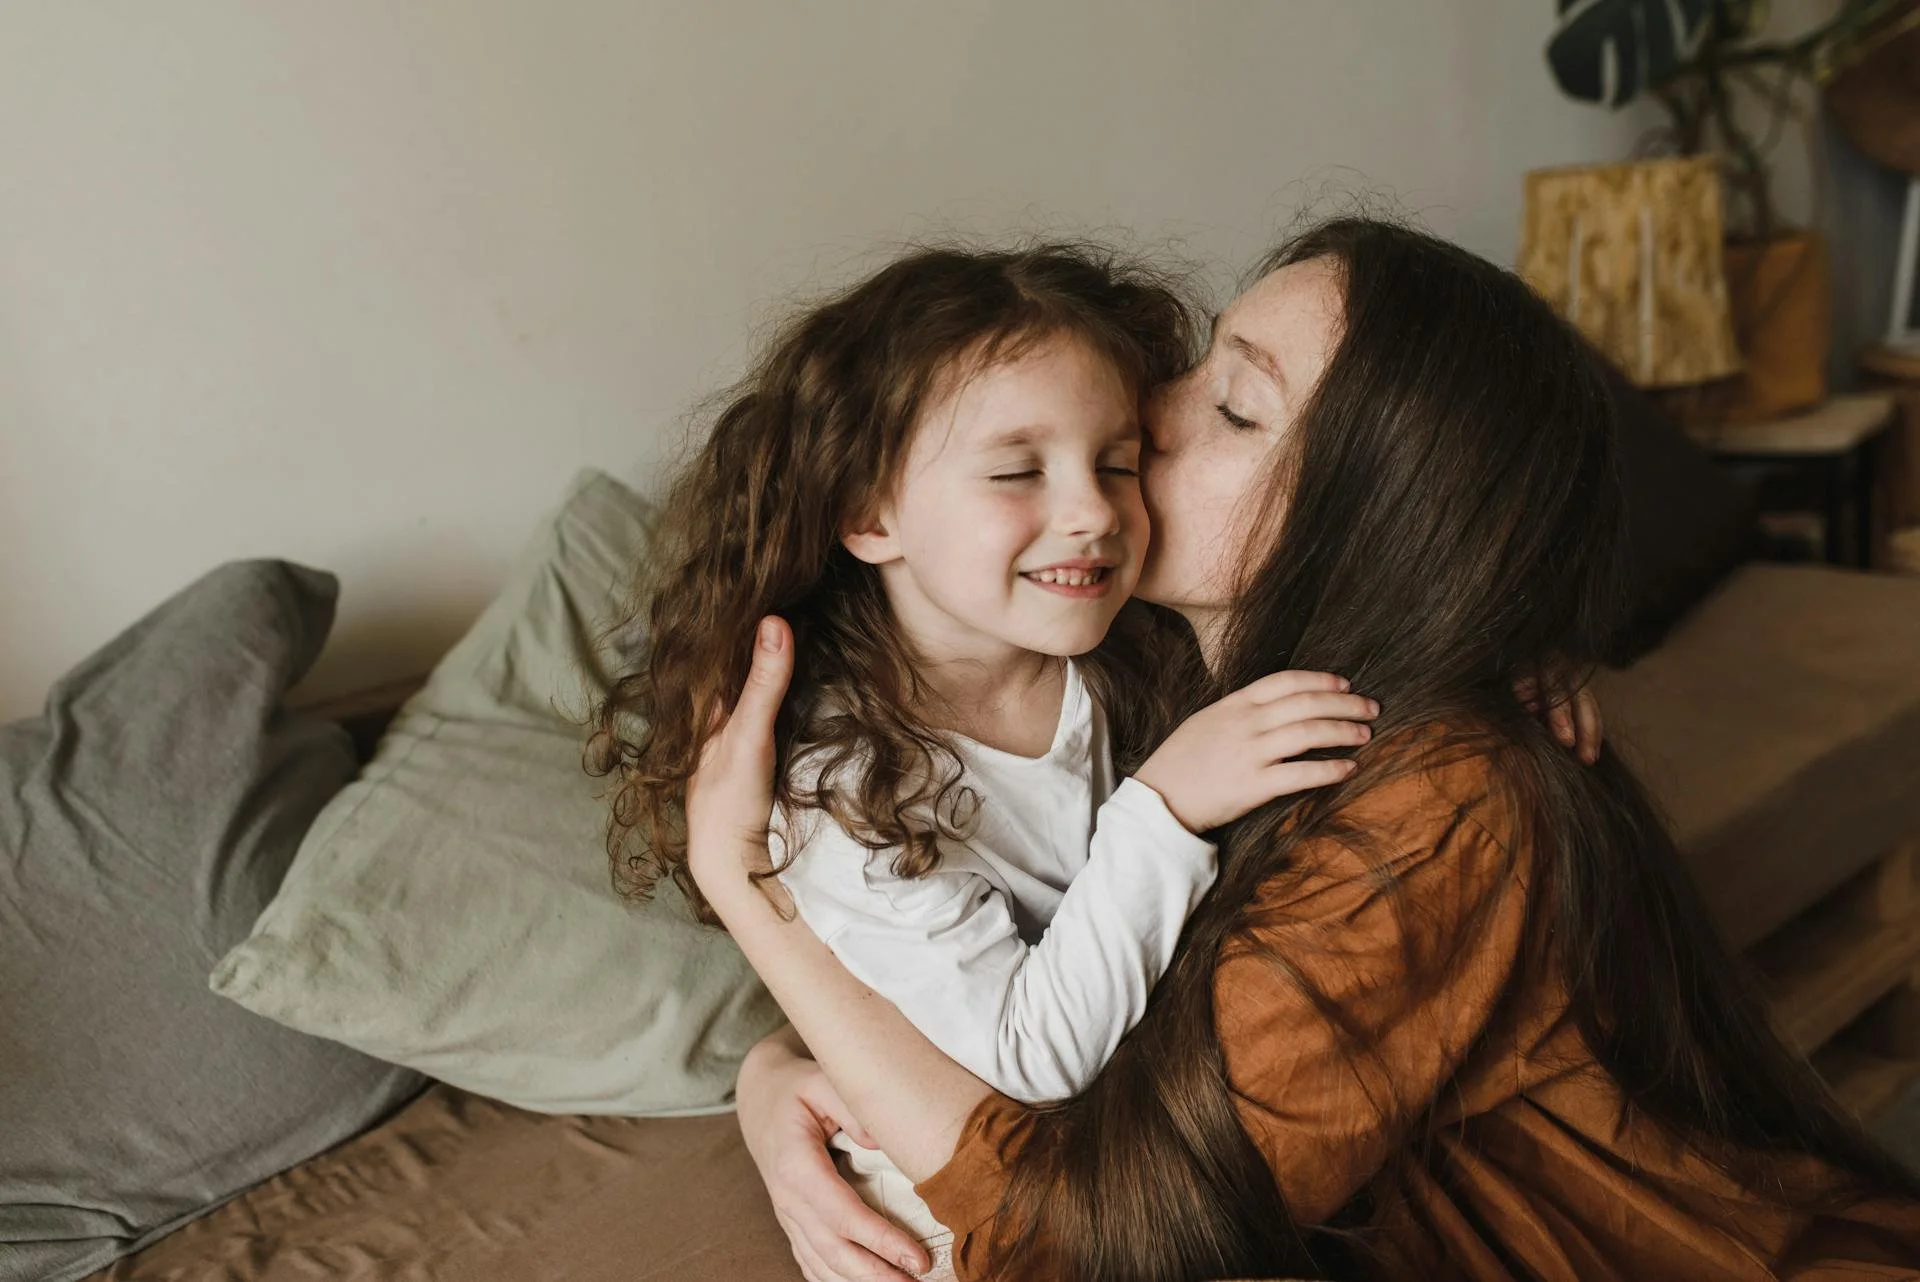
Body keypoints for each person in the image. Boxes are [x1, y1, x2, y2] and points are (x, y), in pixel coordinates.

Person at [682, 217, 1920, 1282]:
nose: (1142, 412)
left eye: (1231, 405)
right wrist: (779, 1064)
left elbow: (1071, 1247)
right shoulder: (1159, 670)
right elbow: (1015, 954)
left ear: (1370, 530)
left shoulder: (1432, 802)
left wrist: (752, 893)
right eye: (1200, 360)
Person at [587, 244, 1385, 1277]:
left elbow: (1343, 635)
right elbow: (1030, 1061)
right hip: (953, 1222)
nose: (1093, 510)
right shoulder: (840, 781)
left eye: (1117, 460)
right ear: (871, 514)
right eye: (1018, 471)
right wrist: (1166, 806)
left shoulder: (1109, 641)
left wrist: (1498, 666)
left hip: (1137, 1134)